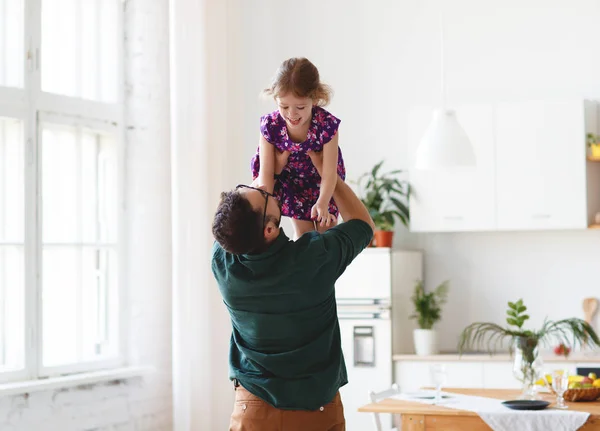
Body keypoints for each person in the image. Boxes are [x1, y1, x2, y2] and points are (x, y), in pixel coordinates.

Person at [212, 150, 375, 431]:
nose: (262, 187)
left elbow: (233, 224)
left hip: (253, 408)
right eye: (261, 194)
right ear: (269, 231)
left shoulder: (225, 265)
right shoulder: (314, 259)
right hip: (317, 411)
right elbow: (363, 226)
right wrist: (329, 178)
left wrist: (269, 172)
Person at [251, 57, 346, 239]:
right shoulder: (270, 127)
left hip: (324, 184)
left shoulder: (326, 125)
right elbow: (266, 177)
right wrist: (262, 216)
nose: (292, 114)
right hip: (292, 184)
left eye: (300, 107)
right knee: (305, 235)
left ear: (315, 98)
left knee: (328, 236)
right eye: (283, 106)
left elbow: (329, 173)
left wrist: (323, 202)